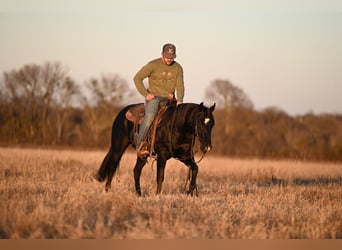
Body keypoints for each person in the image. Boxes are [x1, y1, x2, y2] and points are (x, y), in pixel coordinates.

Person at [134, 43, 185, 157]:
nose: (169, 60)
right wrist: (145, 94)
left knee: (180, 119)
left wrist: (180, 100)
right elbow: (137, 78)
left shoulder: (178, 68)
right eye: (167, 57)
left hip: (170, 99)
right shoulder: (153, 65)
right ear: (162, 54)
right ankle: (140, 145)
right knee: (150, 117)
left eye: (172, 57)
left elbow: (180, 85)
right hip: (155, 98)